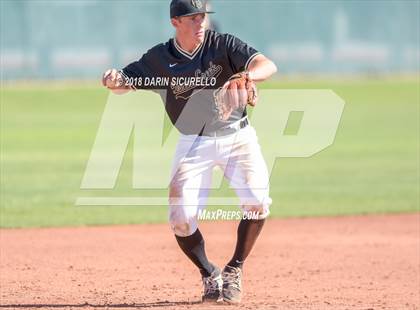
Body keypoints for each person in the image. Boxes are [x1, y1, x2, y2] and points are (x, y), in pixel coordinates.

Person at [102, 0, 277, 304]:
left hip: (238, 137)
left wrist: (247, 77)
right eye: (192, 18)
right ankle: (209, 273)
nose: (200, 23)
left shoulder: (223, 45)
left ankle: (234, 268)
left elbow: (267, 65)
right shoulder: (160, 58)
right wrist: (112, 79)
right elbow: (123, 82)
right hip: (193, 141)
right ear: (175, 22)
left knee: (258, 202)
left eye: (202, 17)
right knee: (180, 218)